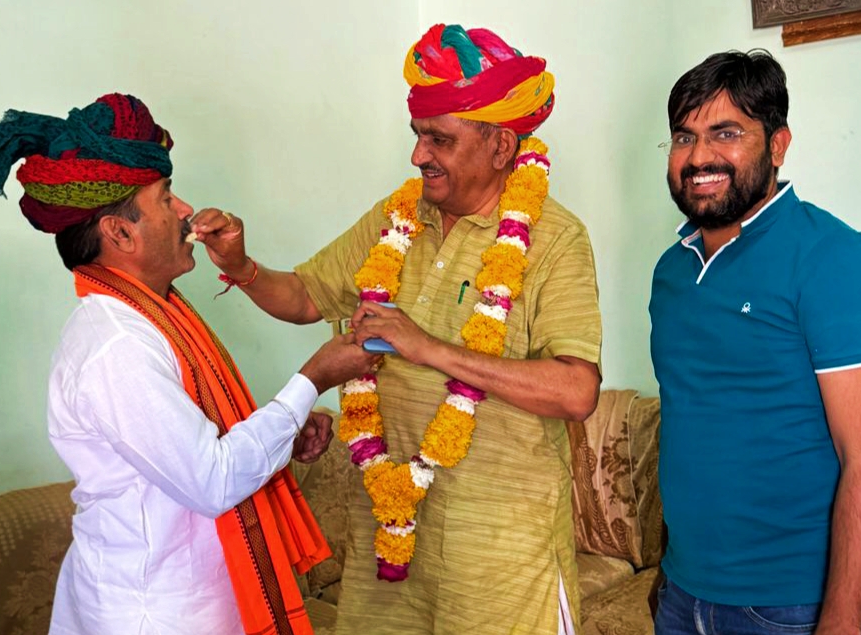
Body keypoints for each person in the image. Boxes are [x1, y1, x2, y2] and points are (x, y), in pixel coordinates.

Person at [193, 24, 603, 635]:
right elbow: (305, 296)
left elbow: (576, 391)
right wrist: (241, 265)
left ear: (501, 147)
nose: (418, 155)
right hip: (390, 538)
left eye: (439, 139)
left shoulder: (555, 238)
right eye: (417, 135)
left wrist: (429, 348)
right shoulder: (397, 218)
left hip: (500, 559)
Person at [0, 93, 379, 635]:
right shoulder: (115, 345)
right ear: (120, 233)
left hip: (194, 600)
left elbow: (186, 451)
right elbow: (211, 480)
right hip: (154, 612)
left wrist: (283, 435)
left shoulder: (152, 313)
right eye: (166, 197)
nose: (185, 209)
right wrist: (313, 380)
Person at [649, 50, 861, 635]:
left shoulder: (834, 259)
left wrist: (841, 623)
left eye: (726, 133)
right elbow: (688, 424)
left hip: (787, 607)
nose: (699, 157)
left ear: (778, 144)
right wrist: (668, 570)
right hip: (682, 593)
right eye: (684, 138)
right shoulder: (671, 271)